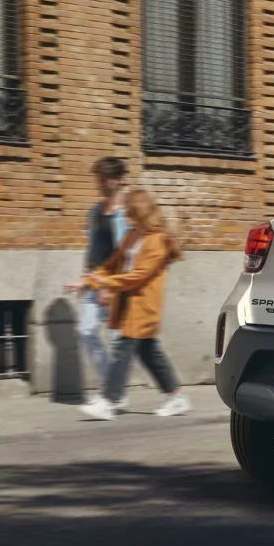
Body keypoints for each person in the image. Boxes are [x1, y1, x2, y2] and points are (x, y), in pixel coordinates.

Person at [66, 188, 192, 420]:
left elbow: (140, 275)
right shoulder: (132, 236)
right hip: (127, 302)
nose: (125, 216)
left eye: (129, 211)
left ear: (140, 211)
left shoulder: (157, 240)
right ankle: (177, 397)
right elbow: (112, 264)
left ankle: (109, 400)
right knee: (148, 352)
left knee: (123, 349)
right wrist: (87, 282)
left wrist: (107, 283)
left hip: (144, 305)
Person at [79, 157, 128, 407]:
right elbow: (92, 247)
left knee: (116, 339)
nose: (99, 183)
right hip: (95, 282)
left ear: (118, 180)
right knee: (86, 331)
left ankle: (113, 394)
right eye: (97, 178)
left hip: (115, 285)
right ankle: (113, 388)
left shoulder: (125, 215)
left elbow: (126, 254)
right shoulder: (95, 212)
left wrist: (112, 287)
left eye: (104, 179)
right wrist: (85, 278)